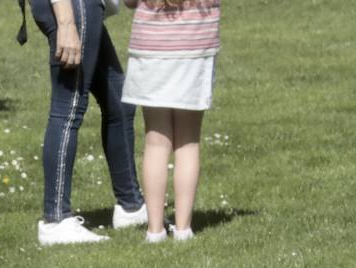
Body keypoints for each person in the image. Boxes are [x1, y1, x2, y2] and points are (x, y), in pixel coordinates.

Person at [29, 0, 148, 246]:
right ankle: (56, 220)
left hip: (83, 7)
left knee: (119, 101)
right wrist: (66, 22)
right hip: (71, 7)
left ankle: (131, 207)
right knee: (69, 107)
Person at [121, 0, 220, 242]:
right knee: (188, 143)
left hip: (151, 49)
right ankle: (183, 229)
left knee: (156, 142)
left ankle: (155, 230)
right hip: (195, 49)